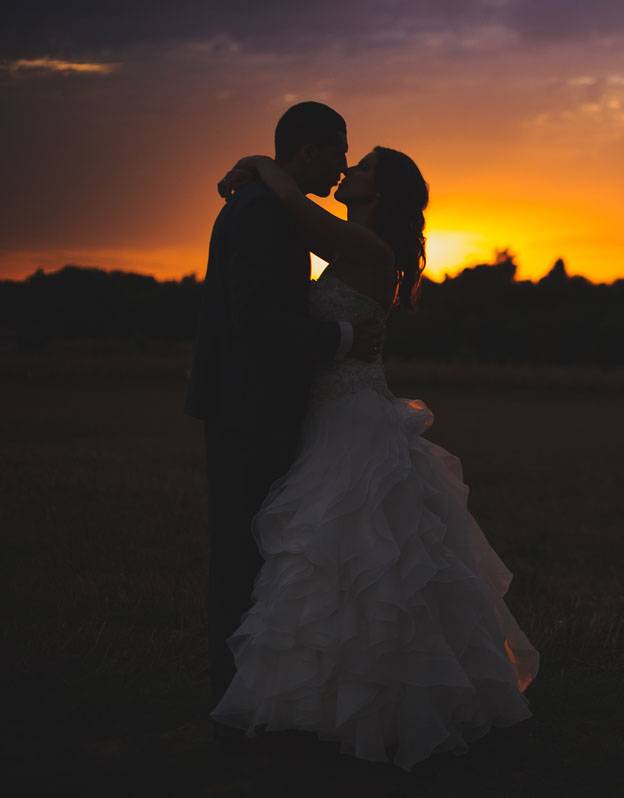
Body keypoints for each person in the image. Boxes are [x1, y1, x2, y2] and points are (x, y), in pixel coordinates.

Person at [203, 140, 539, 770]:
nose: (348, 169)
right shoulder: (357, 248)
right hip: (330, 410)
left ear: (377, 192)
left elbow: (291, 203)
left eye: (361, 168)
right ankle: (322, 702)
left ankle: (367, 709)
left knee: (354, 559)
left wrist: (258, 163)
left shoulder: (368, 249)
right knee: (337, 563)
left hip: (350, 419)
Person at [185, 101, 385, 718]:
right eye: (340, 150)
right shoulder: (263, 211)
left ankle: (258, 689)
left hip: (264, 405)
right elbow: (255, 321)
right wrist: (343, 337)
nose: (344, 165)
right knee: (244, 551)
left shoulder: (273, 205)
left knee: (261, 550)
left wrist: (255, 163)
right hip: (248, 407)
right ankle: (235, 694)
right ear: (309, 152)